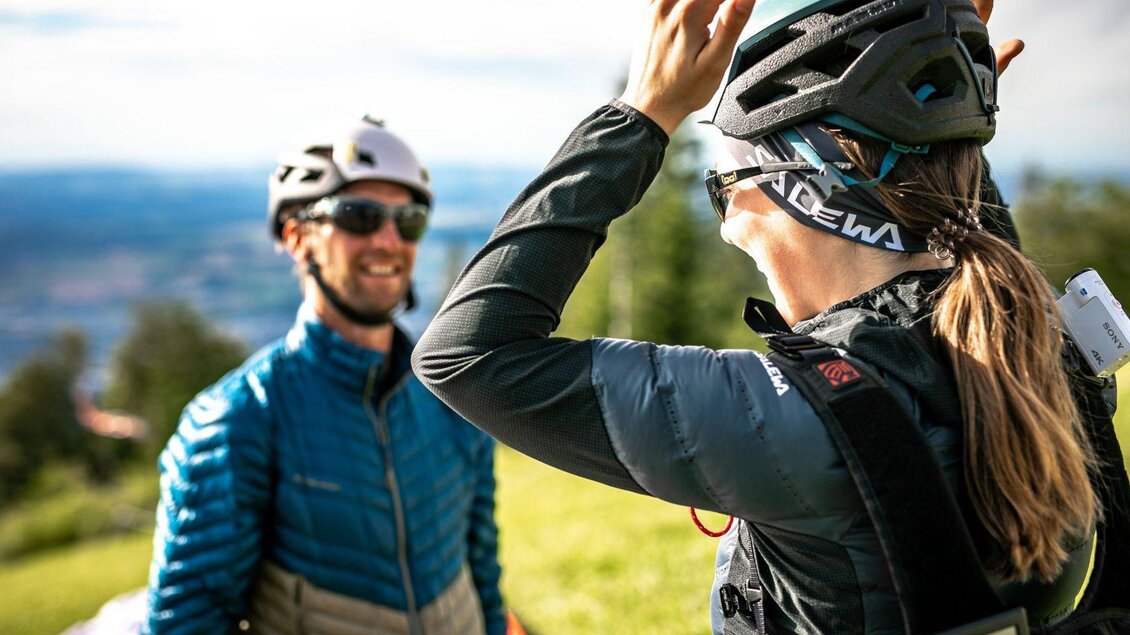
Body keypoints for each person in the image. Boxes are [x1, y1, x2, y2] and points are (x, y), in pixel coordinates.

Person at [410, 0, 1111, 632]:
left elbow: (467, 355)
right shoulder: (1045, 347)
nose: (726, 225)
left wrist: (642, 114)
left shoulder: (807, 421)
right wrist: (950, 137)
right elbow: (961, 244)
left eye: (727, 187)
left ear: (807, 192)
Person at [145, 116, 505, 635]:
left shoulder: (454, 394)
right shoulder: (237, 421)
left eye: (408, 221)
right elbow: (186, 621)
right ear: (298, 238)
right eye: (359, 216)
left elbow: (483, 576)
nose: (388, 240)